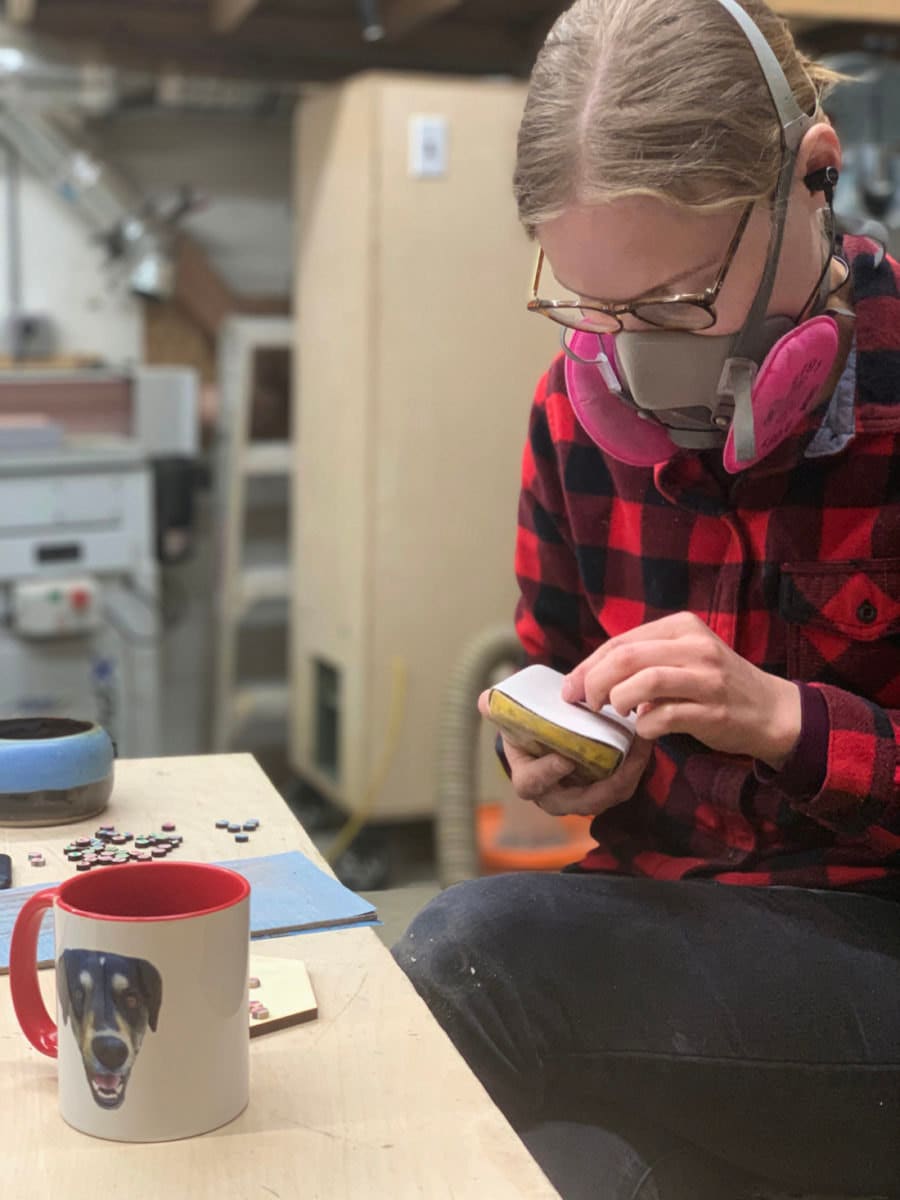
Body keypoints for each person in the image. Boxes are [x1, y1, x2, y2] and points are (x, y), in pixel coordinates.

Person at [393, 1, 900, 1197]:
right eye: (593, 306)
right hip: (672, 932)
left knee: (480, 961)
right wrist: (580, 761)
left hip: (874, 932)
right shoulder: (572, 412)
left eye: (674, 303)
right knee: (553, 1157)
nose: (629, 355)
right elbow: (558, 664)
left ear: (810, 179)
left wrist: (786, 720)